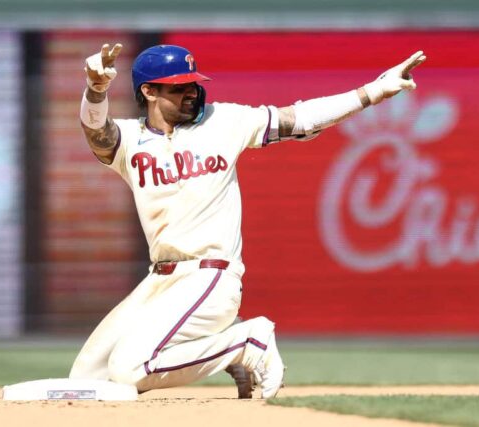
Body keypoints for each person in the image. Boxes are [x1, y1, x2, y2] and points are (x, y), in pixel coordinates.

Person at [70, 43, 426, 399]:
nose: (191, 93)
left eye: (193, 84)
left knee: (129, 370)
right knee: (86, 379)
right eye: (178, 87)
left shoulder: (223, 121)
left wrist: (374, 91)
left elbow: (298, 118)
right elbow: (97, 134)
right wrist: (96, 89)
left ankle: (247, 341)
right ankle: (225, 344)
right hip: (159, 281)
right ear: (148, 91)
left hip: (210, 274)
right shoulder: (131, 140)